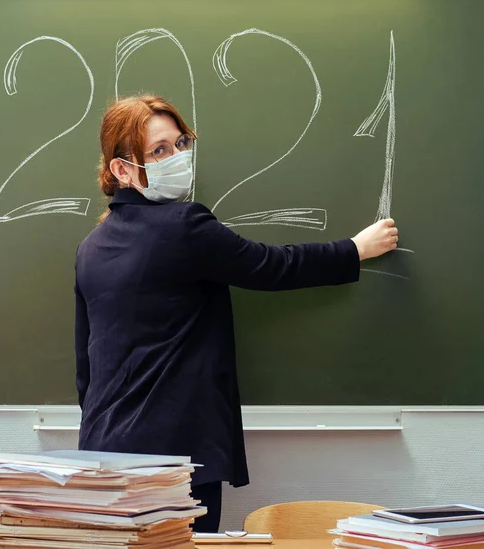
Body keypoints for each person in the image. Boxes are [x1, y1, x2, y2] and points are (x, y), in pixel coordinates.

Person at [74, 94, 398, 532]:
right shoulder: (183, 227)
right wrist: (353, 250)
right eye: (160, 150)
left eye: (181, 143)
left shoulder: (91, 248)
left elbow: (85, 368)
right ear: (122, 169)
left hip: (103, 455)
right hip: (174, 458)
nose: (178, 157)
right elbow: (269, 265)